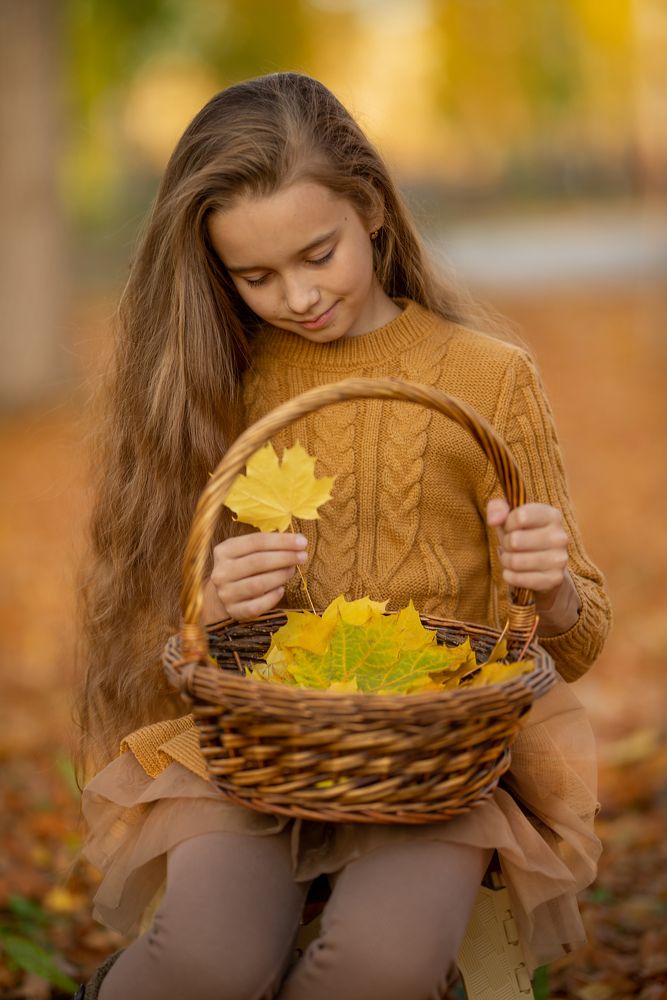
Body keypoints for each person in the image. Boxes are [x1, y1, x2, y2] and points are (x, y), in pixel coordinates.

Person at [76, 72, 611, 1000]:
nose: (296, 296)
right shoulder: (213, 378)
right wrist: (204, 602)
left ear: (369, 207)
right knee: (209, 955)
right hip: (252, 743)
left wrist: (553, 587)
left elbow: (577, 631)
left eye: (317, 254)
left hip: (431, 757)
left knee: (378, 963)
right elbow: (155, 639)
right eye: (254, 276)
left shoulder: (487, 379)